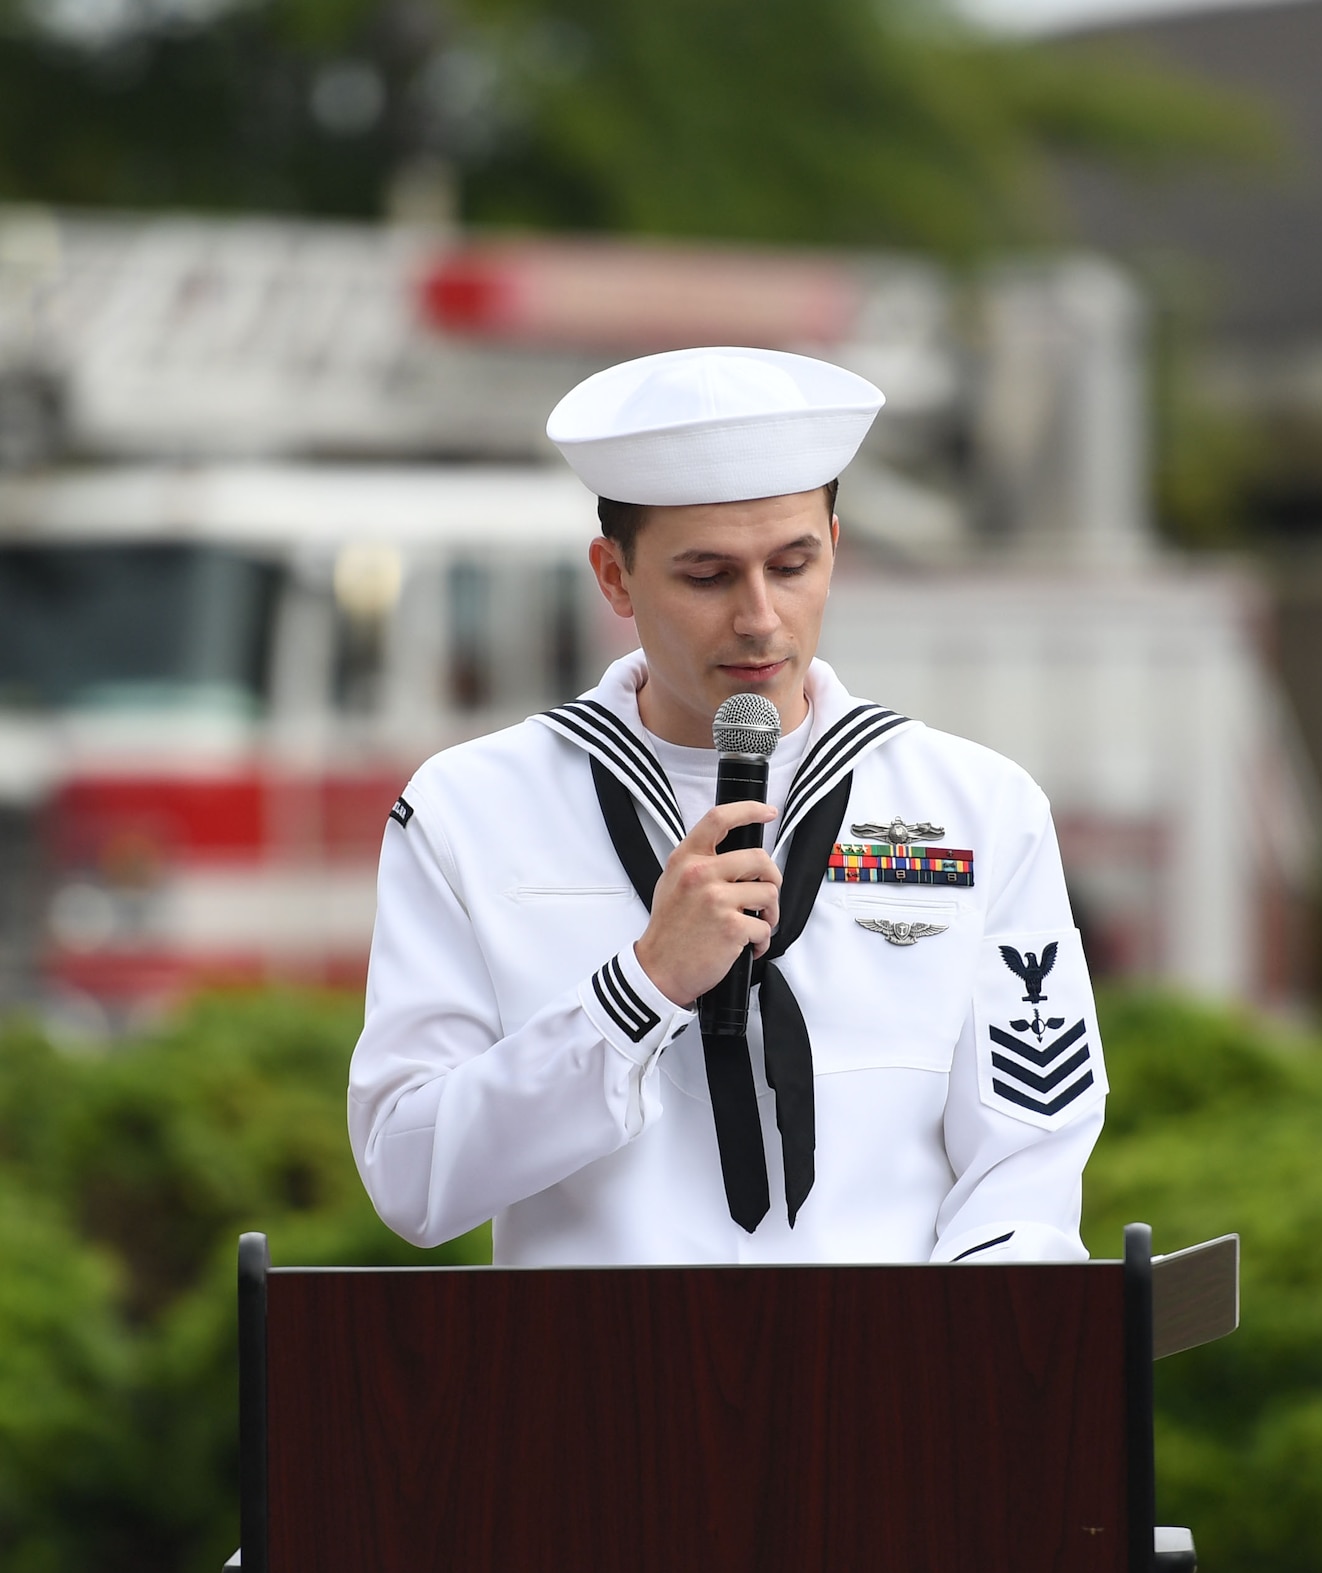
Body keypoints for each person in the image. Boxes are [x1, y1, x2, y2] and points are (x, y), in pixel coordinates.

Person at [349, 346, 1107, 1265]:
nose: (759, 618)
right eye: (707, 577)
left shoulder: (978, 807)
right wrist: (640, 988)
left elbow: (1025, 1176)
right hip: (592, 1394)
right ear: (614, 576)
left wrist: (938, 1373)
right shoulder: (469, 810)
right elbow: (409, 1178)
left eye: (792, 565)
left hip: (894, 1389)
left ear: (837, 545)